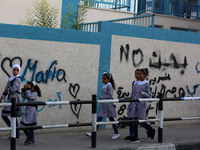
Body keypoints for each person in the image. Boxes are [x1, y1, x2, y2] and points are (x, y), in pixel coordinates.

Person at [85, 72, 120, 139]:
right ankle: (93, 132)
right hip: (104, 104)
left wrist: (103, 97)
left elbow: (110, 95)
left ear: (108, 79)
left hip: (108, 104)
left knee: (111, 119)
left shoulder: (109, 85)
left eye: (104, 79)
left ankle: (116, 133)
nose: (103, 80)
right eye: (102, 79)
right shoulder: (105, 84)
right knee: (99, 118)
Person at [126, 68, 156, 143]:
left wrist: (142, 93)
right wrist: (130, 104)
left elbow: (149, 95)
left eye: (140, 74)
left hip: (141, 104)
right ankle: (134, 136)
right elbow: (133, 94)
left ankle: (151, 130)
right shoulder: (135, 83)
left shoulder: (146, 83)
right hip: (133, 104)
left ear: (145, 75)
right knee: (133, 119)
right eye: (137, 74)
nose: (138, 75)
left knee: (140, 121)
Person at [0, 64, 23, 140]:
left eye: (17, 70)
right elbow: (6, 90)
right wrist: (2, 98)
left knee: (13, 116)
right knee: (7, 115)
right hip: (10, 99)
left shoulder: (18, 79)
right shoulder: (10, 79)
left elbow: (13, 90)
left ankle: (16, 133)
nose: (15, 71)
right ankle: (15, 132)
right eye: (14, 70)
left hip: (14, 99)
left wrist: (8, 88)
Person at [20, 82, 41, 146]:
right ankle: (29, 137)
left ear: (32, 87)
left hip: (32, 111)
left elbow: (30, 96)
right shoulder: (29, 92)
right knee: (22, 125)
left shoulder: (34, 93)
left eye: (29, 86)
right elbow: (23, 96)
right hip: (28, 110)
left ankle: (32, 140)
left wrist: (28, 89)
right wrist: (24, 90)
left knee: (30, 127)